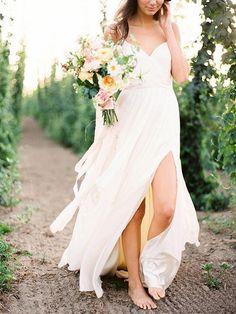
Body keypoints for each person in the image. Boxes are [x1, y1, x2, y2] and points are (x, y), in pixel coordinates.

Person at [50, 0, 200, 310]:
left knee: (167, 207)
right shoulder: (117, 30)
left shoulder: (170, 28)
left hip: (162, 122)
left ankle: (151, 265)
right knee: (132, 207)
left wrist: (168, 28)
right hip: (128, 122)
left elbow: (181, 75)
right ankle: (135, 283)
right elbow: (101, 84)